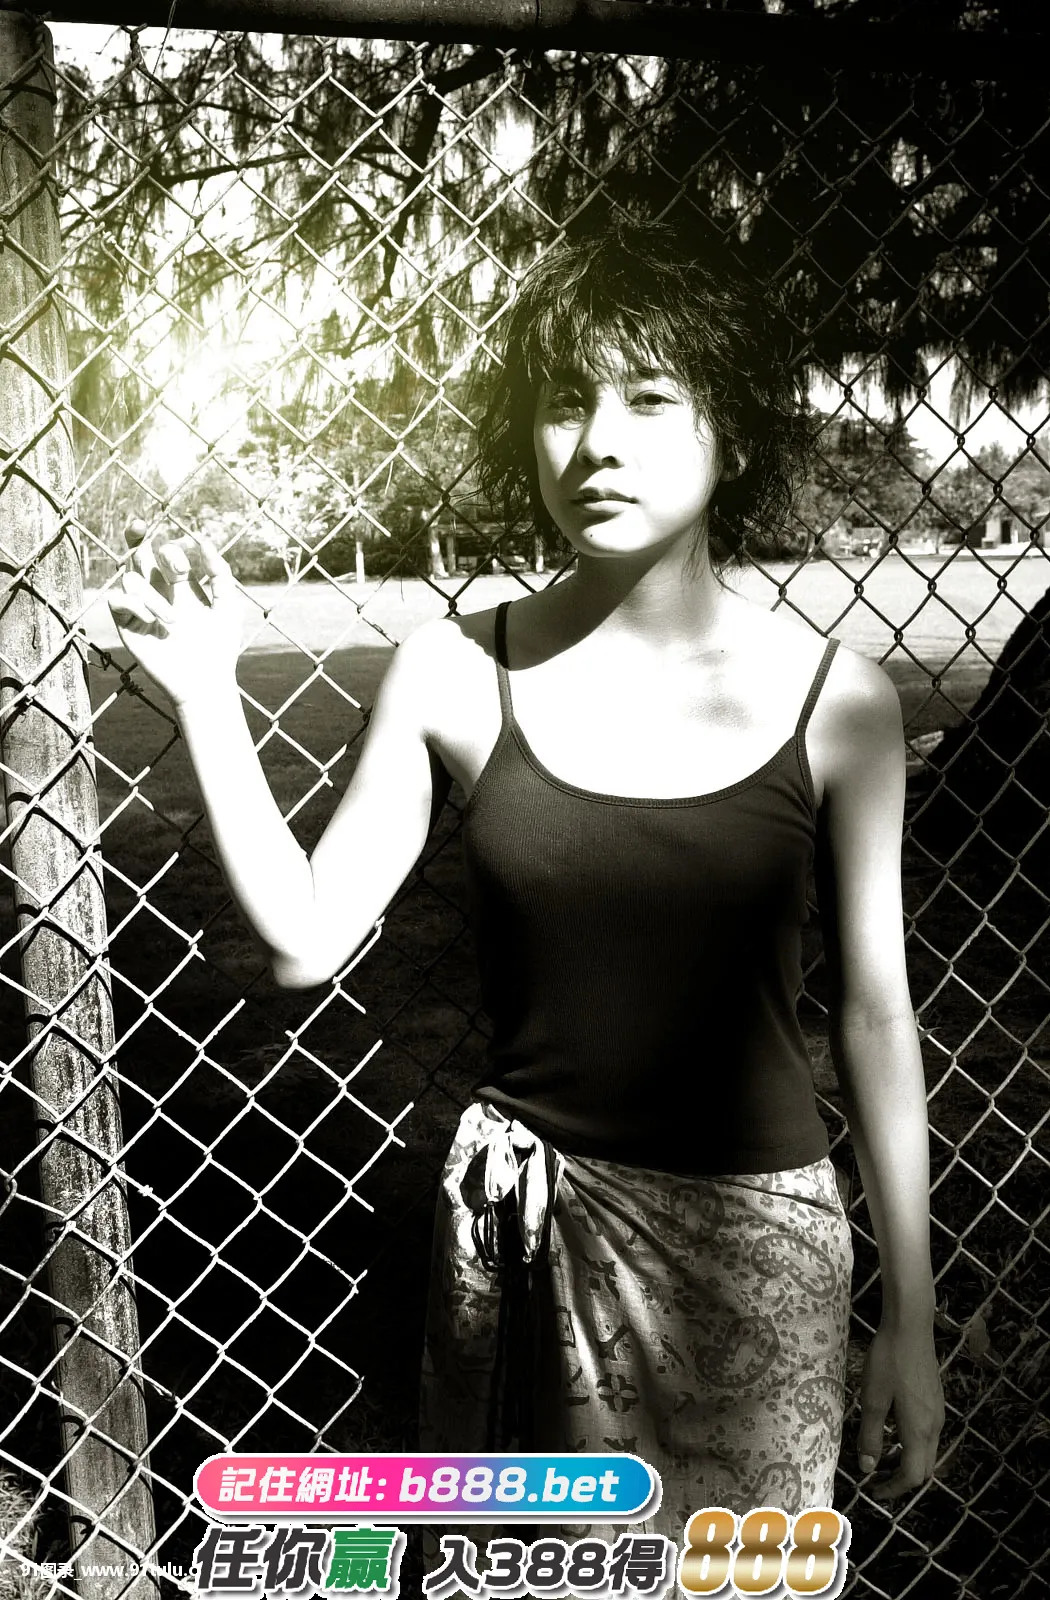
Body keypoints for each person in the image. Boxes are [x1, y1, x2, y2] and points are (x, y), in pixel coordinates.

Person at [109, 217, 943, 1543]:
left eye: (648, 398)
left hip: (758, 1257)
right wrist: (211, 696)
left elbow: (875, 1012)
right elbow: (304, 939)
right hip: (521, 1238)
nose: (597, 442)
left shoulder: (840, 703)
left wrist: (910, 1310)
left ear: (729, 431)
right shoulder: (452, 672)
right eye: (564, 402)